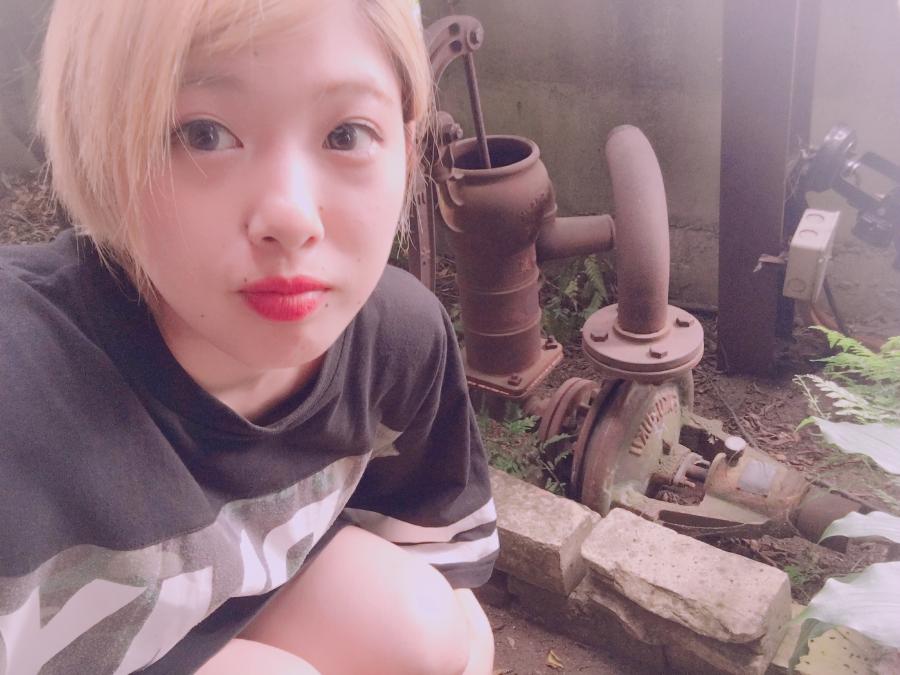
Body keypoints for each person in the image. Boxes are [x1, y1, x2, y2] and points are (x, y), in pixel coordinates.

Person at [0, 0, 498, 672]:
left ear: (407, 151)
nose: (290, 217)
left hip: (233, 605)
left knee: (431, 633)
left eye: (347, 133)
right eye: (203, 134)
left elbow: (436, 551)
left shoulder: (397, 340)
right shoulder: (20, 383)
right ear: (102, 153)